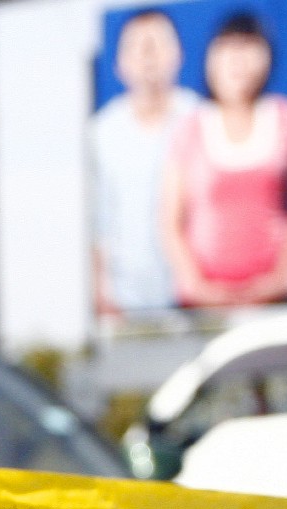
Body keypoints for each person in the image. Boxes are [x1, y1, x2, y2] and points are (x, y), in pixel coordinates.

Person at [160, 10, 287, 308]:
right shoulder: (189, 127)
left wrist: (281, 278)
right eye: (227, 48)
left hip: (278, 302)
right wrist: (197, 286)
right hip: (201, 308)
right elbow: (171, 223)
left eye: (248, 47)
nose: (237, 59)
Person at [89, 8, 200, 316]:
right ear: (119, 63)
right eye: (138, 45)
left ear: (178, 54)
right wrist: (100, 294)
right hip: (126, 302)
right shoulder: (102, 132)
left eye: (158, 43)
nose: (149, 54)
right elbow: (96, 222)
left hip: (199, 298)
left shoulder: (199, 118)